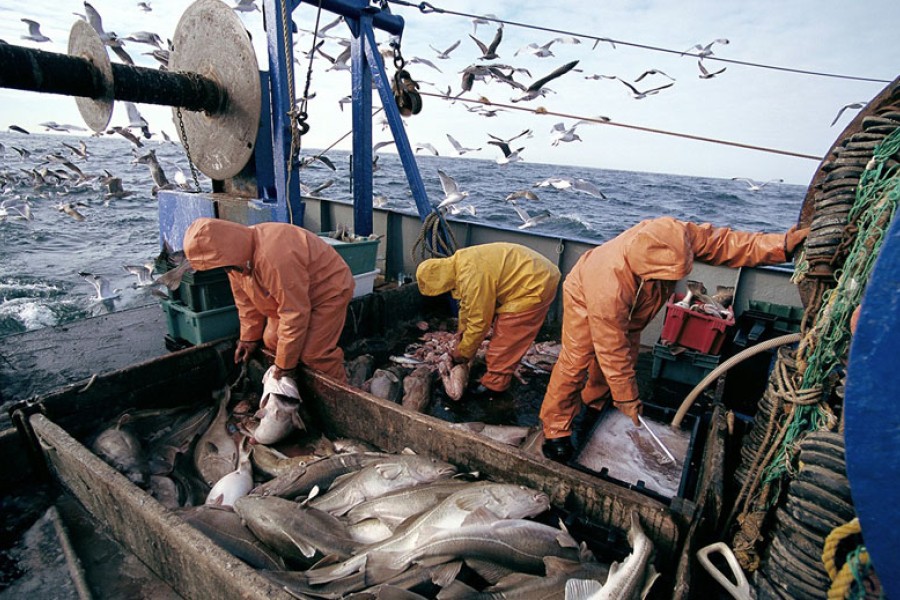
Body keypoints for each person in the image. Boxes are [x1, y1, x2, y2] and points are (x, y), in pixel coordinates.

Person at [539, 217, 809, 462]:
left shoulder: (677, 235)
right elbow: (611, 348)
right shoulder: (608, 285)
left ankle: (594, 404)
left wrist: (781, 245)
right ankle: (556, 428)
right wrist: (628, 398)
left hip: (635, 306)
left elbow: (725, 243)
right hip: (586, 297)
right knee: (577, 361)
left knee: (626, 358)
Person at [182, 218, 354, 383]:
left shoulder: (274, 258)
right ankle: (299, 384)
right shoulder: (233, 261)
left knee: (314, 355)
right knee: (272, 341)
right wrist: (249, 338)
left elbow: (294, 313)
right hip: (291, 298)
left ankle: (341, 398)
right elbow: (245, 301)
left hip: (328, 292)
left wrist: (285, 366)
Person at [416, 242, 561, 395]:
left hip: (535, 283)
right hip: (530, 273)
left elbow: (479, 323)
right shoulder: (460, 262)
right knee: (498, 334)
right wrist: (461, 333)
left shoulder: (472, 278)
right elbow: (468, 306)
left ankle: (494, 387)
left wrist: (463, 353)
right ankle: (495, 376)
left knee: (506, 341)